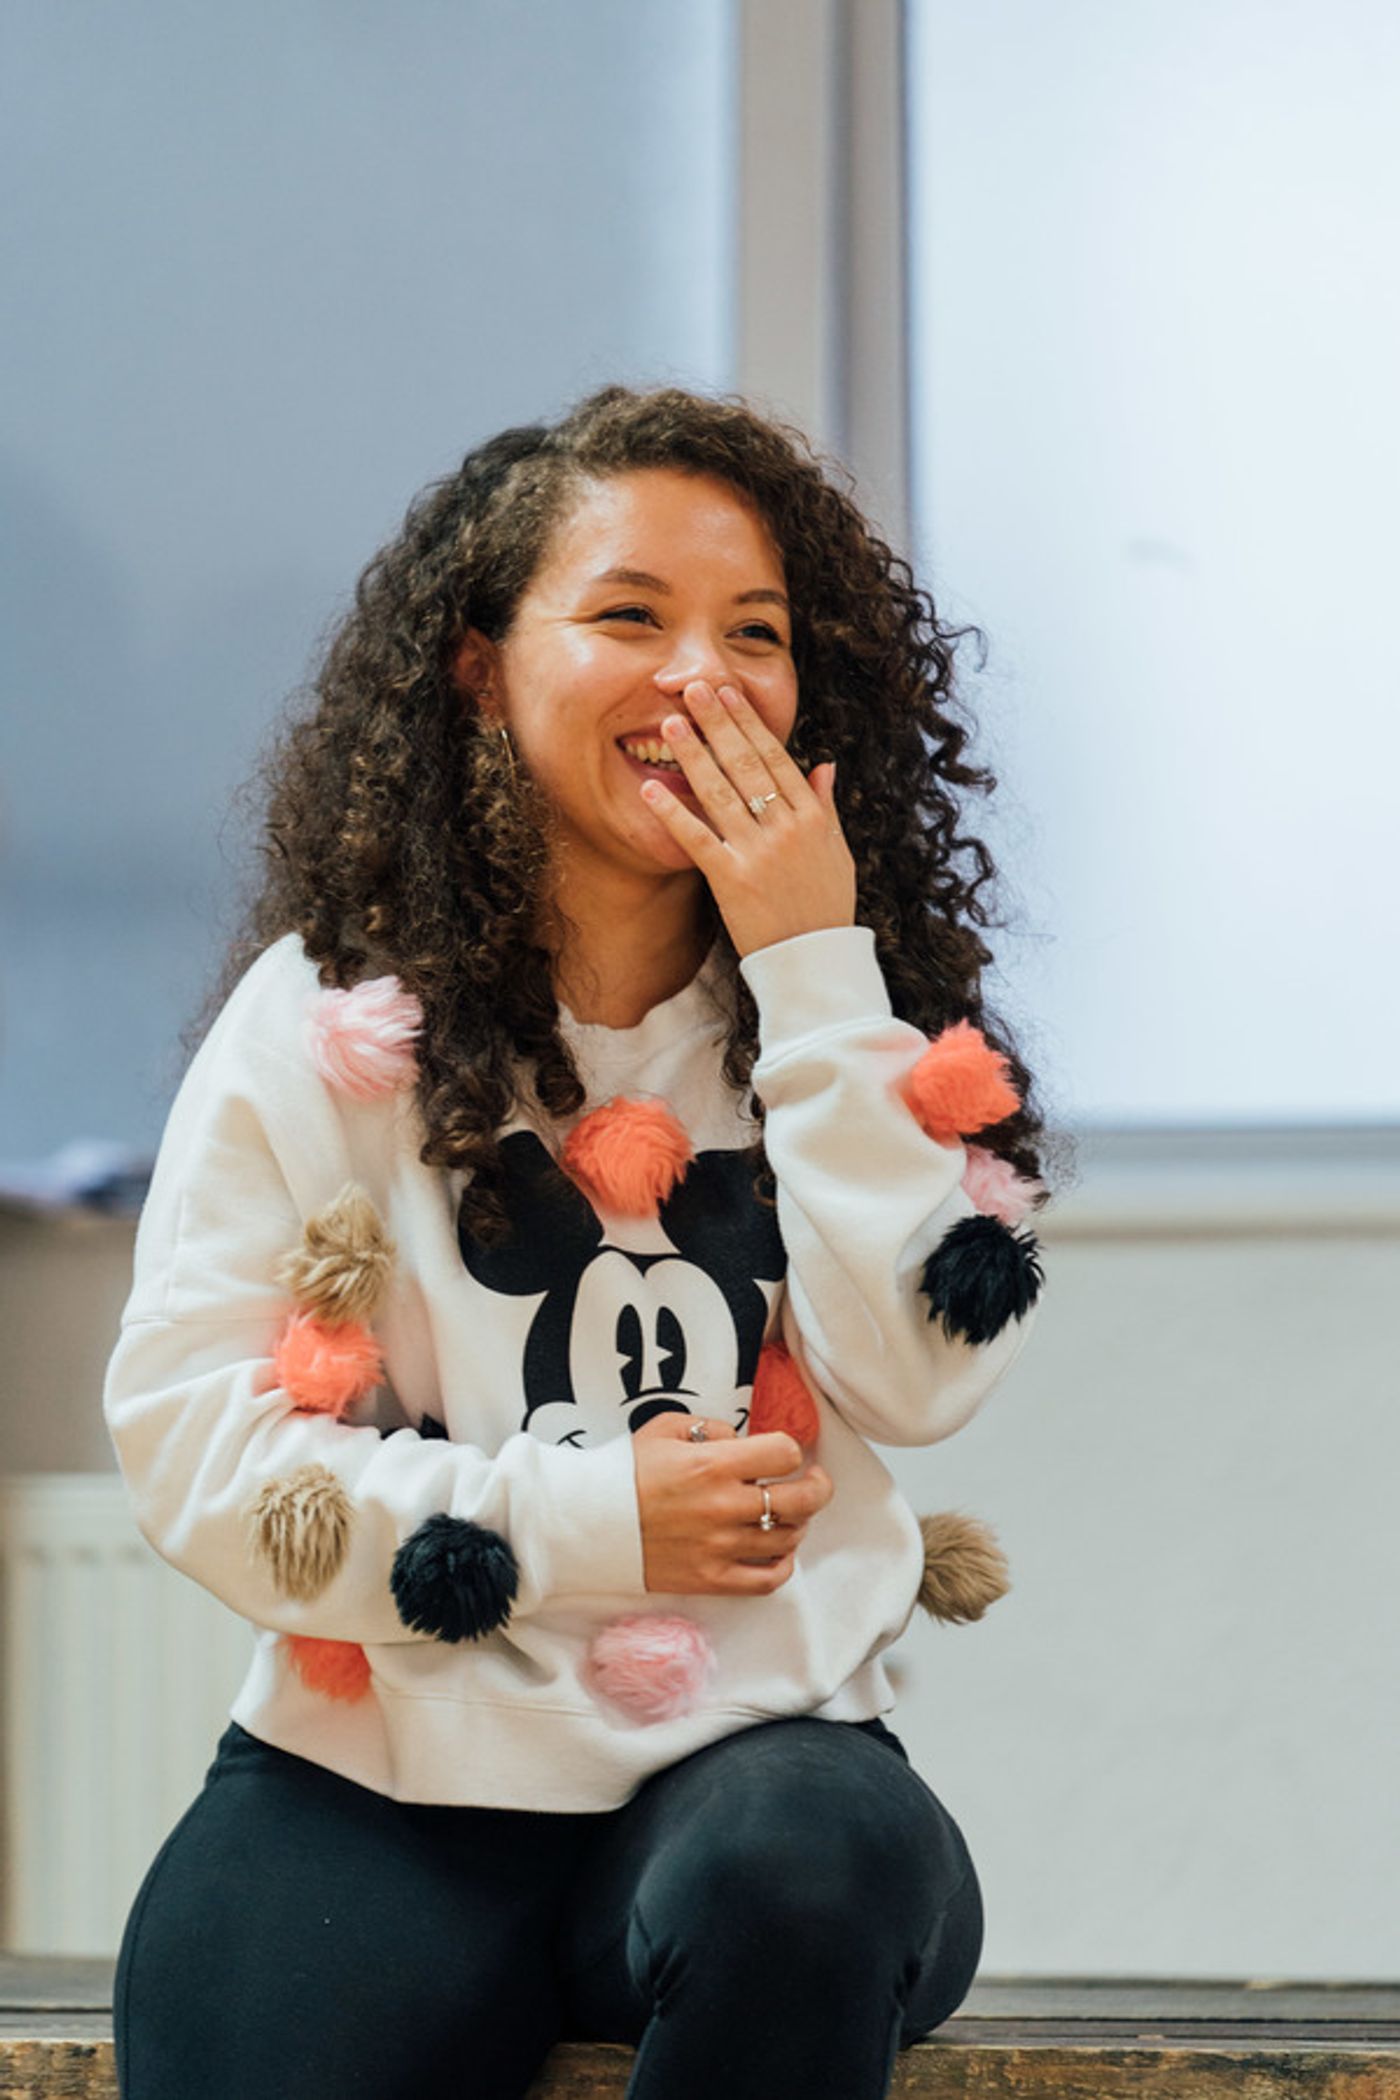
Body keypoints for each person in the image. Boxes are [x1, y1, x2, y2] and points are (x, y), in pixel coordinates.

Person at [103, 382, 1050, 2100]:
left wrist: (814, 968)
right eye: (629, 615)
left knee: (801, 1878)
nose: (703, 676)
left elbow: (919, 1380)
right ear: (481, 664)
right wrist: (593, 1521)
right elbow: (197, 1454)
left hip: (764, 1770)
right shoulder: (326, 1016)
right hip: (378, 1772)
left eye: (753, 633)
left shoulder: (867, 1014)